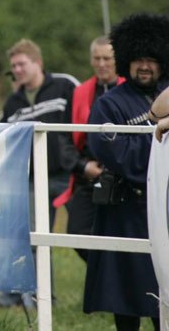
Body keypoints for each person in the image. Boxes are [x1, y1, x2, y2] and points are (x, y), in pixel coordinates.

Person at [83, 13, 169, 330]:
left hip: (165, 208)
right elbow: (115, 154)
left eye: (152, 60)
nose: (144, 66)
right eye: (138, 59)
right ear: (127, 61)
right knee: (127, 301)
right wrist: (160, 142)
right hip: (127, 212)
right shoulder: (109, 105)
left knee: (165, 299)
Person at [0, 38, 80, 308]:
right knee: (34, 239)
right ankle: (42, 298)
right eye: (13, 66)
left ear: (38, 63)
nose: (17, 70)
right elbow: (0, 135)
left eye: (22, 64)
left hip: (69, 174)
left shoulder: (64, 85)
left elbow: (84, 116)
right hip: (32, 179)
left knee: (87, 234)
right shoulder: (14, 101)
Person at [62, 36, 123, 261]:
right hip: (87, 176)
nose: (101, 64)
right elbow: (63, 137)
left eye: (107, 58)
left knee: (123, 236)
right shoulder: (79, 92)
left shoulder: (130, 90)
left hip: (123, 177)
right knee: (77, 233)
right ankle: (103, 272)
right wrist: (82, 165)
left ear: (117, 61)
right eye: (96, 58)